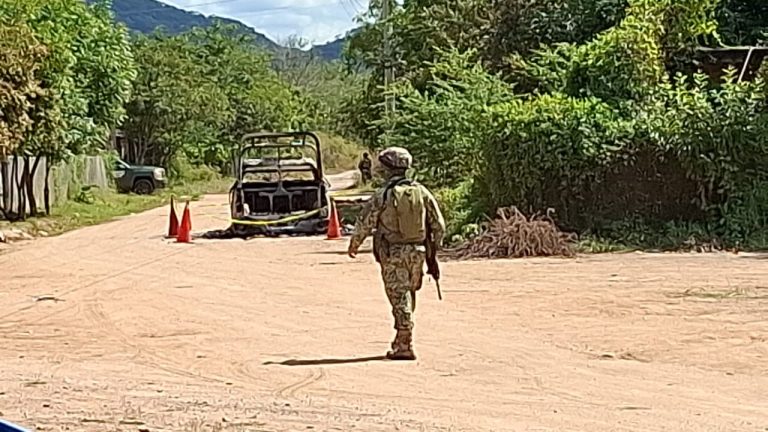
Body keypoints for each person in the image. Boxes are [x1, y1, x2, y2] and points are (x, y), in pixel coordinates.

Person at [347, 147, 445, 360]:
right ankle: (402, 338)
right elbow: (438, 225)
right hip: (418, 251)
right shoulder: (421, 192)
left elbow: (366, 221)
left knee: (398, 296)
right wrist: (432, 248)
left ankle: (405, 343)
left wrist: (354, 244)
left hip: (393, 253)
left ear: (387, 169)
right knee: (408, 294)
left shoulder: (383, 195)